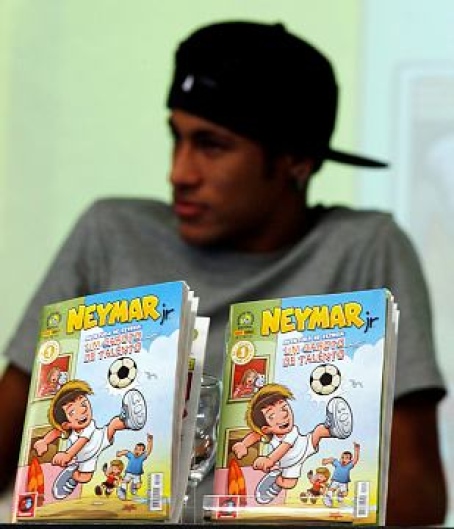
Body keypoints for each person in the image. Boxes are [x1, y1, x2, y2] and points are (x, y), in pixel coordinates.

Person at [0, 20, 446, 524]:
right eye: (177, 138)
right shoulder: (111, 232)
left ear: (297, 160)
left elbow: (421, 497)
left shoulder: (365, 248)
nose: (179, 173)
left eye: (212, 146)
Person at [231, 384, 352, 504]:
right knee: (289, 484)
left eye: (284, 408)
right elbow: (256, 434)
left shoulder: (291, 433)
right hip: (290, 464)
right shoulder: (270, 435)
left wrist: (270, 459)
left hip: (304, 445)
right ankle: (275, 481)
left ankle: (337, 428)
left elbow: (285, 447)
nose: (284, 414)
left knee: (319, 431)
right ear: (266, 429)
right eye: (272, 415)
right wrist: (243, 444)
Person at [116, 433, 153, 500]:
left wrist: (150, 442)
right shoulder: (131, 455)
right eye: (136, 448)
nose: (137, 451)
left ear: (143, 452)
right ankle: (122, 492)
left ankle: (133, 487)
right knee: (124, 482)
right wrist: (120, 453)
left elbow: (148, 451)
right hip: (129, 473)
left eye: (140, 450)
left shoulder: (142, 457)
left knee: (138, 486)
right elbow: (126, 452)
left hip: (137, 475)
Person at [322, 442, 360, 507]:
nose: (344, 459)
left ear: (350, 460)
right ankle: (328, 499)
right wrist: (326, 461)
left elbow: (355, 459)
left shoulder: (349, 466)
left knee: (345, 493)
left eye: (346, 458)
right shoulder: (337, 463)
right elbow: (331, 460)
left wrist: (356, 450)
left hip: (344, 482)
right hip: (335, 481)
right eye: (342, 457)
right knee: (331, 490)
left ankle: (340, 495)